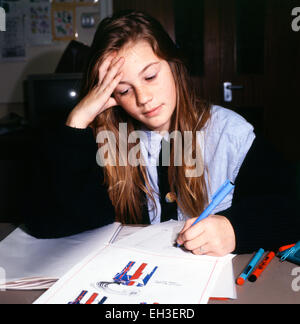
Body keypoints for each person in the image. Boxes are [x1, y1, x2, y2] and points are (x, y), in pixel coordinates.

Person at [23, 10, 299, 256]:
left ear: (174, 67)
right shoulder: (107, 140)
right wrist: (77, 121)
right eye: (123, 90)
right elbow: (47, 224)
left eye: (150, 76)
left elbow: (290, 207)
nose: (143, 98)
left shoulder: (229, 132)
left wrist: (234, 228)